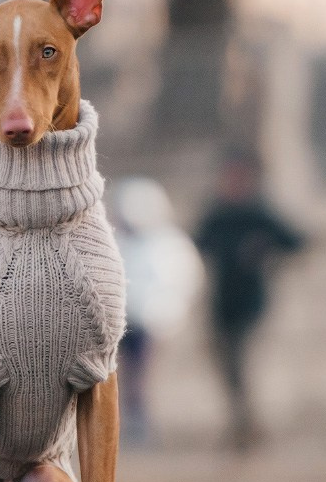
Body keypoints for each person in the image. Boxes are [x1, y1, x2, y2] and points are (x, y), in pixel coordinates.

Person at [194, 153, 305, 452]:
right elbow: (196, 243)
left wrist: (265, 250)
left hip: (251, 304)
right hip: (221, 303)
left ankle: (247, 428)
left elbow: (297, 241)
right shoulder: (217, 214)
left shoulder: (259, 214)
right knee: (227, 368)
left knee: (241, 365)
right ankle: (244, 425)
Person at [108, 177, 202, 447]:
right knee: (117, 376)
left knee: (142, 375)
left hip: (150, 323)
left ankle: (141, 424)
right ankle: (122, 423)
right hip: (118, 322)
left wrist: (161, 314)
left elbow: (179, 282)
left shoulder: (168, 244)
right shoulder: (115, 240)